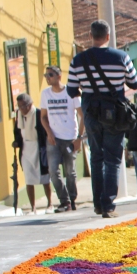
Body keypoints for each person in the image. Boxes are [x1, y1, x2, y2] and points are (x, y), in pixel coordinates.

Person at [67, 20, 137, 218]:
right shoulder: (121, 57)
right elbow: (134, 82)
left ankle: (98, 203)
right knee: (113, 158)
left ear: (91, 36)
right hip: (115, 112)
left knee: (96, 157)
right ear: (108, 36)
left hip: (91, 111)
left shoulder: (78, 60)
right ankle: (108, 204)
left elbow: (72, 90)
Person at [40, 65, 83, 212]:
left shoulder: (72, 93)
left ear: (59, 76)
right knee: (53, 171)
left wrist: (79, 138)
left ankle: (72, 198)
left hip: (70, 137)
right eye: (46, 75)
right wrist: (49, 133)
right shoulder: (45, 94)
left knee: (70, 172)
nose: (47, 78)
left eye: (50, 75)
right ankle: (64, 201)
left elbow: (82, 116)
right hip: (53, 138)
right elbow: (43, 117)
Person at [13, 93, 51, 215]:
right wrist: (16, 142)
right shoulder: (19, 115)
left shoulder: (38, 114)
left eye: (24, 106)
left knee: (45, 177)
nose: (22, 109)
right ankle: (33, 207)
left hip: (39, 148)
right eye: (19, 106)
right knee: (29, 179)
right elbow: (18, 133)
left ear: (30, 105)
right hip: (26, 149)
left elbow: (45, 132)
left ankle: (50, 203)